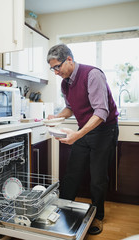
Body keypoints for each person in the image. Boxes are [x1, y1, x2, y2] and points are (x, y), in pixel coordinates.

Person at [47, 44, 119, 235]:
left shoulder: (92, 74)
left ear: (69, 60)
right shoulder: (65, 82)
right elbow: (70, 107)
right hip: (86, 129)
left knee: (97, 177)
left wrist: (78, 135)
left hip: (105, 129)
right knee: (72, 172)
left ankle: (98, 215)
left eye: (57, 67)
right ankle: (62, 209)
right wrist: (57, 117)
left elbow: (101, 111)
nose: (55, 72)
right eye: (52, 68)